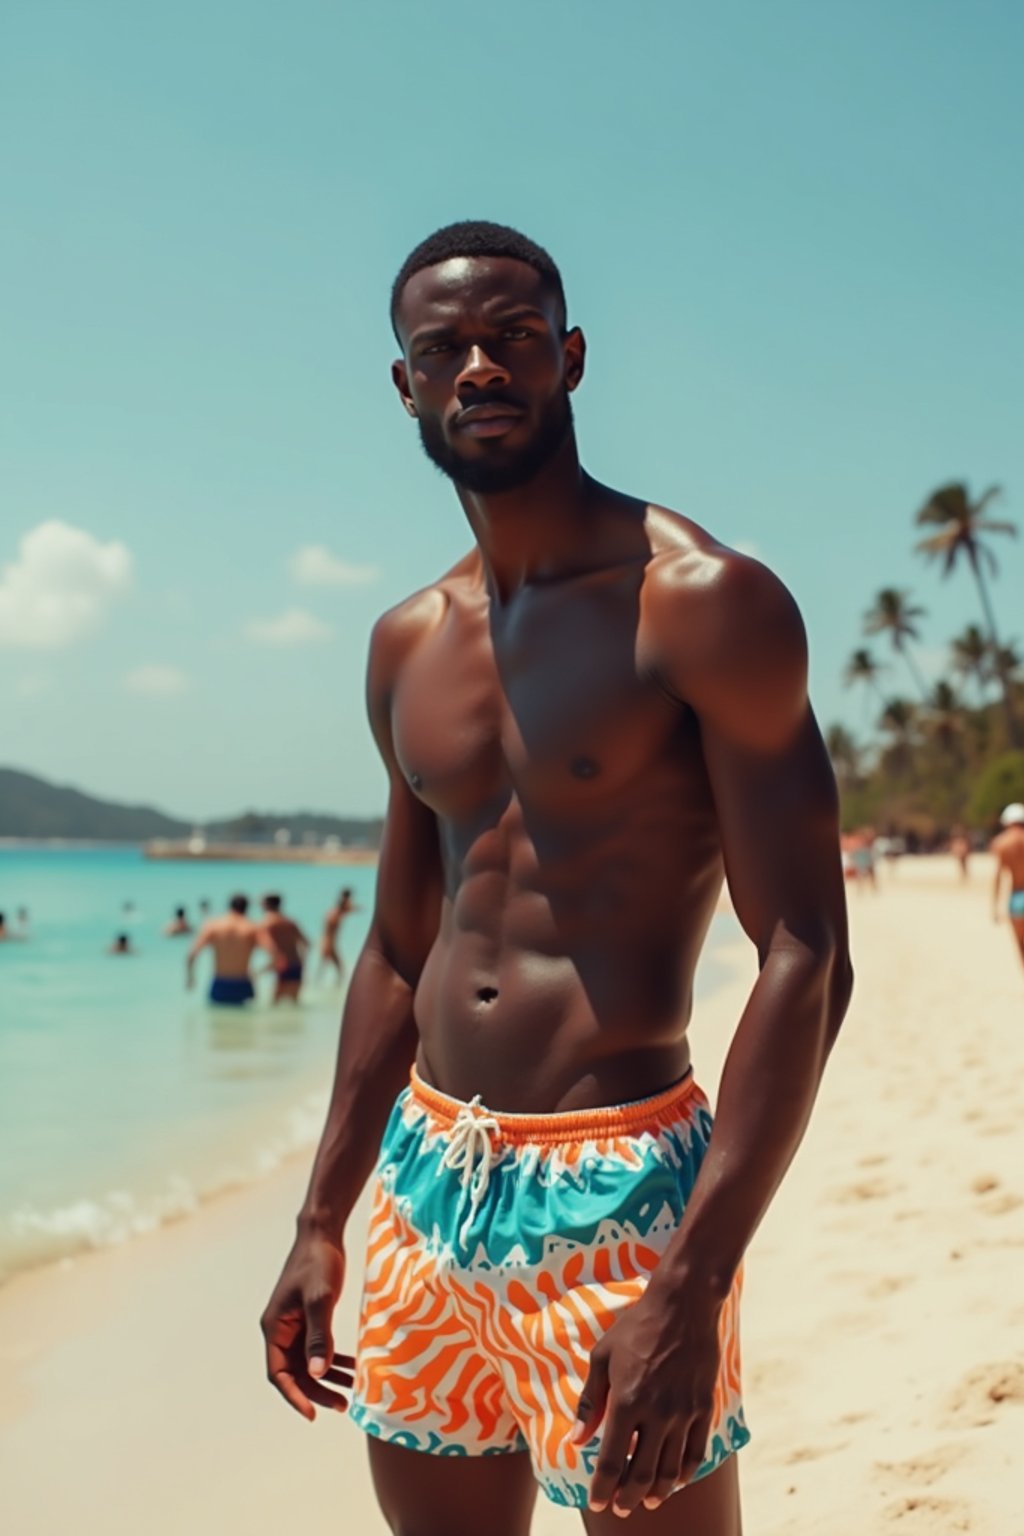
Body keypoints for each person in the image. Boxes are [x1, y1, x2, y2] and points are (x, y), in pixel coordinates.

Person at [260, 221, 852, 1535]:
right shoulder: (406, 644)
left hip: (623, 1191)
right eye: (444, 348)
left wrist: (693, 1282)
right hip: (423, 1186)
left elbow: (808, 947)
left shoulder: (700, 602)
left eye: (514, 337)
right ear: (404, 384)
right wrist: (321, 1218)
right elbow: (402, 947)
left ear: (570, 359)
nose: (480, 367)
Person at [186, 894, 263, 1005]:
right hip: (243, 982)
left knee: (217, 1020)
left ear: (229, 906)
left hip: (220, 982)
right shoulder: (252, 927)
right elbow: (275, 954)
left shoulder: (213, 926)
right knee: (246, 1021)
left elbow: (192, 954)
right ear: (246, 908)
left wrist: (190, 977)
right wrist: (259, 972)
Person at [258, 894, 310, 1003]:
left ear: (266, 905)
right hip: (297, 964)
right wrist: (303, 961)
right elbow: (306, 943)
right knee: (294, 1002)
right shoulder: (290, 921)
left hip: (283, 965)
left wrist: (265, 968)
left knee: (274, 1003)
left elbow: (271, 948)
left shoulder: (266, 923)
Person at [991, 802, 1024, 970]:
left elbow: (998, 877)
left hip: (1017, 898)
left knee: (1021, 944)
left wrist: (994, 906)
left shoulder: (1001, 843)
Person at [316, 887, 359, 983]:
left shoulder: (337, 911)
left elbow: (350, 908)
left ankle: (318, 985)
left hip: (329, 942)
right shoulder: (336, 913)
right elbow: (349, 908)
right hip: (328, 942)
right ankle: (318, 984)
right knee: (330, 966)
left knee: (331, 967)